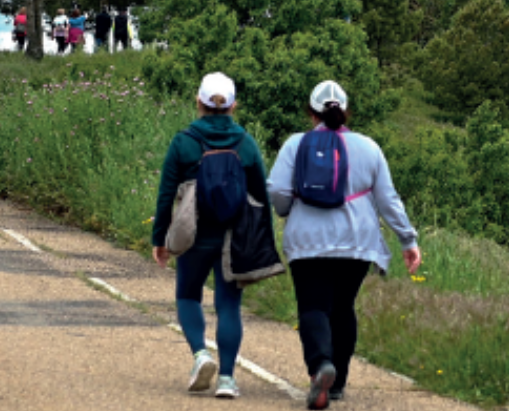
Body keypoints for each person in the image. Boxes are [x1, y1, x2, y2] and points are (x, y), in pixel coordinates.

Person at [268, 81, 421, 410]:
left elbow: (278, 191)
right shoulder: (368, 147)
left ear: (311, 112)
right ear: (346, 110)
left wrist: (286, 211)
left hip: (308, 241)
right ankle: (337, 385)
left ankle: (322, 365)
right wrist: (407, 239)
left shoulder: (296, 144)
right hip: (357, 242)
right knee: (343, 308)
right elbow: (388, 200)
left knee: (313, 307)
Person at [151, 72, 271, 399]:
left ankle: (201, 355)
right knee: (229, 304)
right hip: (233, 235)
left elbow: (165, 194)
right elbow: (261, 196)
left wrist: (159, 238)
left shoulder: (184, 141)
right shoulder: (246, 143)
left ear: (199, 102)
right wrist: (263, 243)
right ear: (234, 105)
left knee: (188, 295)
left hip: (194, 235)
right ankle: (228, 379)